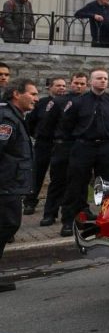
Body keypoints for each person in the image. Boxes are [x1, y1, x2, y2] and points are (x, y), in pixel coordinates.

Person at [58, 68, 109, 236]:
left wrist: (107, 134)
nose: (103, 81)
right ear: (91, 82)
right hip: (83, 146)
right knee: (76, 183)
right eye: (99, 78)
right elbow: (66, 124)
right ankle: (69, 220)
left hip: (106, 147)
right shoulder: (78, 102)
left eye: (106, 78)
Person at [0, 78, 39, 291]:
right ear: (17, 94)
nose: (36, 98)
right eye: (32, 94)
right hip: (5, 185)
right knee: (7, 225)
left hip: (10, 184)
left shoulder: (14, 116)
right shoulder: (7, 118)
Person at [38, 72, 87, 227]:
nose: (79, 86)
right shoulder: (59, 101)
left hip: (80, 146)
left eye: (82, 83)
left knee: (79, 182)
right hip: (62, 145)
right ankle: (49, 214)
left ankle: (79, 212)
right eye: (76, 83)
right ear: (70, 83)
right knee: (57, 181)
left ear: (86, 85)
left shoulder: (89, 101)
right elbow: (47, 124)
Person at [23, 76, 67, 215]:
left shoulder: (68, 103)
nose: (61, 88)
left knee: (60, 176)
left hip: (60, 144)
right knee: (37, 174)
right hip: (44, 144)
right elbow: (30, 122)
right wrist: (36, 134)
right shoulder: (41, 103)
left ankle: (57, 203)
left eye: (63, 86)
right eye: (58, 85)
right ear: (49, 87)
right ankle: (30, 202)